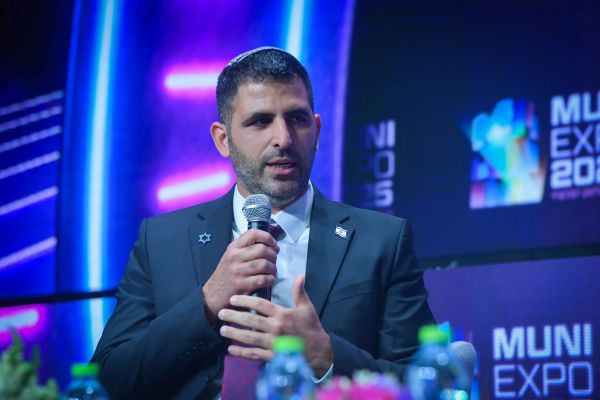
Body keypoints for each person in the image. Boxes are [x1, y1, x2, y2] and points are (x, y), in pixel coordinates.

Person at [92, 47, 435, 399]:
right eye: (260, 121)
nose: (283, 139)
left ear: (317, 130)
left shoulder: (381, 241)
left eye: (297, 119)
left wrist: (324, 354)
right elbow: (107, 380)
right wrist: (207, 302)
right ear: (223, 139)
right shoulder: (161, 241)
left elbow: (427, 382)